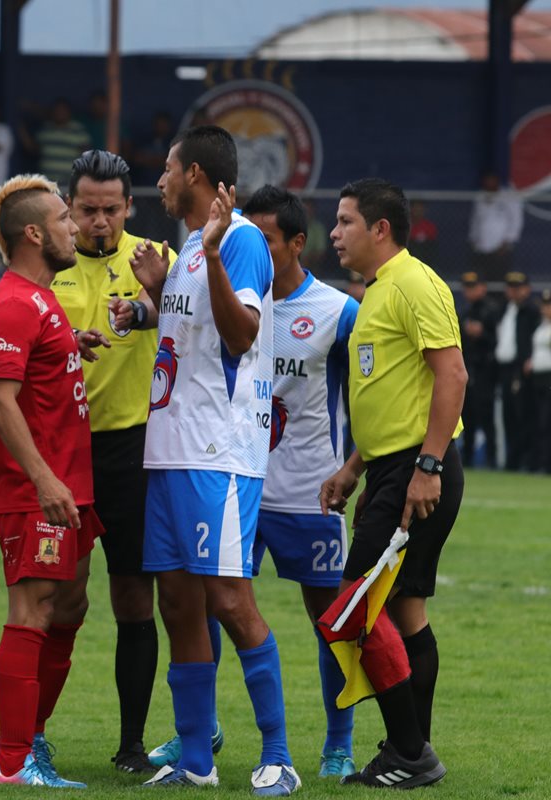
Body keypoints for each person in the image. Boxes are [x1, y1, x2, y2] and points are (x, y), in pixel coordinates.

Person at [131, 125, 299, 795]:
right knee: (178, 604)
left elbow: (241, 335)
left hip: (218, 455)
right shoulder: (187, 254)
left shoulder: (240, 241)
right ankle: (196, 761)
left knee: (230, 599)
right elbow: (193, 340)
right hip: (169, 451)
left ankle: (279, 756)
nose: (161, 182)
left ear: (195, 173)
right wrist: (155, 295)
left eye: (168, 170)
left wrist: (211, 255)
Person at [320, 177, 466, 789]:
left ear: (381, 229)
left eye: (346, 221)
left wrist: (427, 468)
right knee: (404, 611)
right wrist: (354, 468)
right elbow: (393, 394)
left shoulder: (413, 283)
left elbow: (452, 375)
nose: (335, 233)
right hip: (391, 469)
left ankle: (409, 753)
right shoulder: (378, 290)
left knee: (354, 607)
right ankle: (409, 752)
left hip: (417, 470)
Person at [51, 150, 175, 773]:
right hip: (65, 452)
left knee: (133, 597)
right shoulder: (47, 266)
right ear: (68, 208)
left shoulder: (156, 260)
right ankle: (29, 736)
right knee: (61, 600)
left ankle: (131, 745)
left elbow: (192, 327)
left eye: (110, 209)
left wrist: (153, 300)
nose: (98, 221)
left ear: (129, 207)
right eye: (86, 209)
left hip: (134, 450)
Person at [0, 173, 107, 788]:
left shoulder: (41, 299)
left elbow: (30, 370)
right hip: (38, 492)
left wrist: (67, 346)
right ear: (33, 233)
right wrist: (43, 481)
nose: (75, 227)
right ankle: (13, 763)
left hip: (69, 486)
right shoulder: (12, 302)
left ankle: (30, 737)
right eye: (63, 219)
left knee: (70, 605)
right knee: (32, 610)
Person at [243, 185, 361, 778]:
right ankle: (200, 731)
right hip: (237, 482)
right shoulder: (234, 303)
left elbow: (379, 394)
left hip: (310, 493)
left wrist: (354, 466)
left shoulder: (338, 312)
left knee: (329, 618)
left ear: (296, 243)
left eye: (265, 240)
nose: (253, 251)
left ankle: (339, 744)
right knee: (208, 605)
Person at [494, 271, 540, 471]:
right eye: (511, 287)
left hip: (521, 369)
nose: (514, 291)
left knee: (524, 414)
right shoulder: (503, 310)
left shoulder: (531, 311)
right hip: (503, 368)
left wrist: (529, 358)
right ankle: (512, 460)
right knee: (508, 416)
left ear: (527, 289)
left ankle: (525, 460)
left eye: (518, 287)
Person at [458, 272, 499, 468]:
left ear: (483, 287)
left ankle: (492, 459)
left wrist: (481, 334)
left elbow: (498, 342)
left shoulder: (492, 311)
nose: (469, 291)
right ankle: (467, 457)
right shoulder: (464, 312)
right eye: (467, 287)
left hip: (486, 371)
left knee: (486, 415)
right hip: (468, 369)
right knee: (467, 416)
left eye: (473, 286)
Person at [19, 99, 91, 186]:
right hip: (47, 182)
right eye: (57, 110)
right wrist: (21, 130)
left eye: (63, 111)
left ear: (69, 112)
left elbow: (86, 157)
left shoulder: (78, 130)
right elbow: (33, 149)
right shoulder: (46, 129)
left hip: (68, 183)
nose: (60, 113)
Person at [467, 171, 523, 283]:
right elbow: (475, 220)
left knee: (499, 280)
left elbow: (516, 221)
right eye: (487, 180)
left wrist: (507, 243)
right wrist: (473, 239)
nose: (489, 183)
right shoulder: (480, 196)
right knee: (480, 278)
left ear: (497, 180)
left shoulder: (508, 196)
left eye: (492, 180)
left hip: (501, 249)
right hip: (481, 248)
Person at [530, 290, 551, 473]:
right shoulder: (541, 326)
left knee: (547, 421)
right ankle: (541, 462)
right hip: (538, 379)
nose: (545, 309)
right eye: (544, 305)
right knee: (540, 421)